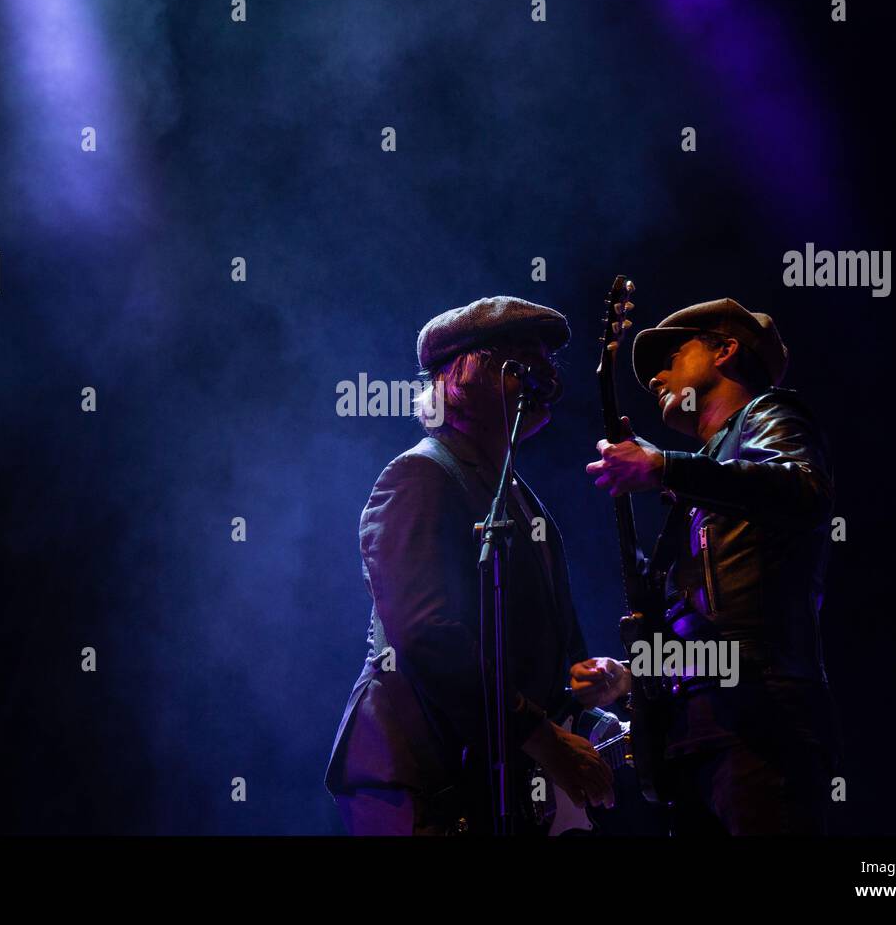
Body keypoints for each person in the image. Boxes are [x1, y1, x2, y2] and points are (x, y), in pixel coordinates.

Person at [325, 296, 625, 834]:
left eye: (546, 368)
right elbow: (425, 635)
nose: (546, 383)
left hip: (487, 780)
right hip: (419, 777)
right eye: (522, 366)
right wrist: (540, 734)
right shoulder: (419, 475)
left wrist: (580, 695)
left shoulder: (519, 498)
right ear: (463, 376)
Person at [584, 297, 839, 835]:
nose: (656, 376)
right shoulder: (698, 481)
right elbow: (700, 620)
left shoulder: (770, 414)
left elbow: (803, 491)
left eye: (674, 354)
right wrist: (635, 675)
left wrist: (665, 466)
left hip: (762, 714)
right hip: (701, 727)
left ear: (725, 351)